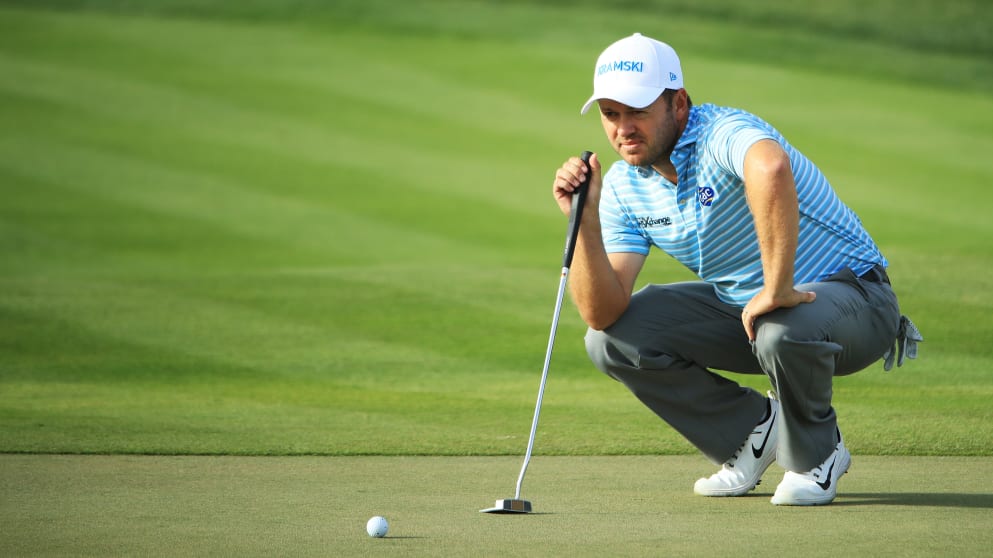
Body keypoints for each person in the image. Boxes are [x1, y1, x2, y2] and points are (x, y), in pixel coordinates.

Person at [552, 33, 922, 505]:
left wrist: (777, 287)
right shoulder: (626, 185)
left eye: (638, 111)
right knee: (610, 340)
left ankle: (817, 456)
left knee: (778, 326)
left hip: (857, 301)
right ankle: (749, 434)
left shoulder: (721, 131)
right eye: (611, 114)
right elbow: (601, 312)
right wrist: (584, 221)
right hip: (755, 315)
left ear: (678, 103)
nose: (623, 127)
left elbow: (771, 169)